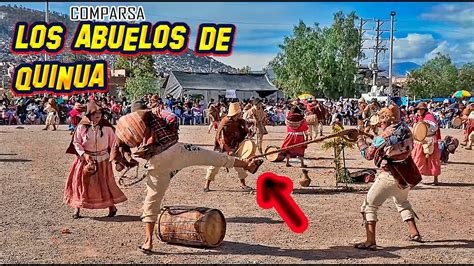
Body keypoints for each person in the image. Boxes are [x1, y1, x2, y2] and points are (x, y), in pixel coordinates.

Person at [110, 102, 263, 253]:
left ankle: (148, 242)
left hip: (157, 161)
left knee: (152, 199)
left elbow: (122, 145)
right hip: (177, 151)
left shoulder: (129, 124)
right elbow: (173, 119)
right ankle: (247, 165)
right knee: (214, 157)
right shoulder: (156, 112)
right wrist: (172, 133)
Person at [354, 104, 422, 250]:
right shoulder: (405, 129)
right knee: (402, 202)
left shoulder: (384, 135)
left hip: (389, 175)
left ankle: (370, 241)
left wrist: (360, 141)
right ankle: (414, 232)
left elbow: (368, 154)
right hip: (404, 175)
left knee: (369, 206)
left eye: (382, 120)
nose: (380, 123)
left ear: (387, 119)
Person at [64, 102, 127, 219]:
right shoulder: (82, 126)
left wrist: (116, 157)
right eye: (95, 114)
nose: (98, 116)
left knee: (105, 183)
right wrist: (84, 154)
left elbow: (114, 143)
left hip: (103, 160)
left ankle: (112, 207)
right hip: (85, 160)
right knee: (81, 183)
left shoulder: (107, 127)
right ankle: (77, 207)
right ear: (89, 115)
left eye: (99, 113)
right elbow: (76, 142)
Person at [204, 102, 253, 192]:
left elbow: (243, 132)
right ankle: (206, 185)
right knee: (215, 166)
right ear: (234, 113)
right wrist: (227, 149)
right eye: (238, 113)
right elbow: (220, 137)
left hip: (234, 146)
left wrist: (248, 132)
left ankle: (243, 184)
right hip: (222, 147)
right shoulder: (225, 122)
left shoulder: (239, 122)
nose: (240, 114)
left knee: (240, 165)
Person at [411, 102, 442, 185]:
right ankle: (417, 178)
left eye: (421, 109)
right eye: (418, 109)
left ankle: (436, 180)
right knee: (417, 159)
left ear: (424, 110)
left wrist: (427, 124)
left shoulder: (429, 117)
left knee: (433, 160)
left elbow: (435, 127)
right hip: (420, 140)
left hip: (430, 140)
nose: (419, 111)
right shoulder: (418, 117)